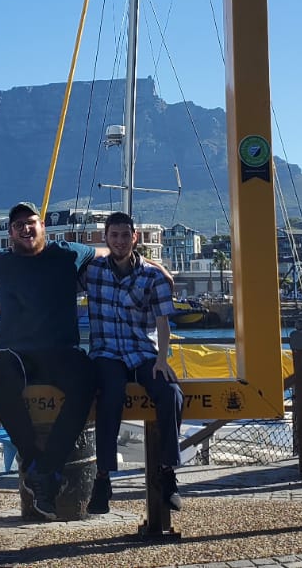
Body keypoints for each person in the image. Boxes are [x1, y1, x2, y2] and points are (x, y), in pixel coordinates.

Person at [0, 202, 98, 520]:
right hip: (15, 353)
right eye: (18, 226)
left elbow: (109, 255)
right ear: (10, 234)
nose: (25, 229)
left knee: (85, 382)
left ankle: (47, 469)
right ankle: (38, 466)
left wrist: (151, 266)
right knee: (0, 384)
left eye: (31, 223)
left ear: (43, 226)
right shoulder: (1, 261)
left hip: (60, 350)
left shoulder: (69, 253)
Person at [83, 211, 184, 514]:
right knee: (111, 393)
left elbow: (163, 320)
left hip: (142, 351)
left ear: (134, 238)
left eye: (125, 235)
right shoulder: (92, 271)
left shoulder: (152, 276)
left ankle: (167, 472)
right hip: (106, 352)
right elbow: (56, 280)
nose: (120, 241)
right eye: (114, 235)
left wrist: (162, 359)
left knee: (170, 393)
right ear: (106, 238)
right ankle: (103, 479)